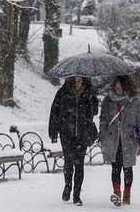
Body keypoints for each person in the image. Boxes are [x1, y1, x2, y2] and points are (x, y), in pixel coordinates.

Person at [49, 76, 99, 206]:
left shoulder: (89, 92)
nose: (77, 84)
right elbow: (54, 111)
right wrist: (53, 131)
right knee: (69, 161)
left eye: (80, 81)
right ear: (70, 80)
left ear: (83, 81)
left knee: (79, 164)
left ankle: (77, 195)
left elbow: (95, 112)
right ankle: (67, 186)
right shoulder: (63, 92)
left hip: (82, 134)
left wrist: (92, 102)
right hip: (66, 133)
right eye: (75, 81)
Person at [98, 75, 140, 206]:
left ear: (126, 86)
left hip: (129, 140)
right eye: (117, 84)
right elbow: (102, 120)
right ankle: (117, 193)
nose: (118, 87)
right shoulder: (108, 100)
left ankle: (127, 194)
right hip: (112, 139)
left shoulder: (136, 101)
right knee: (115, 166)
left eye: (120, 85)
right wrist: (102, 135)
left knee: (128, 167)